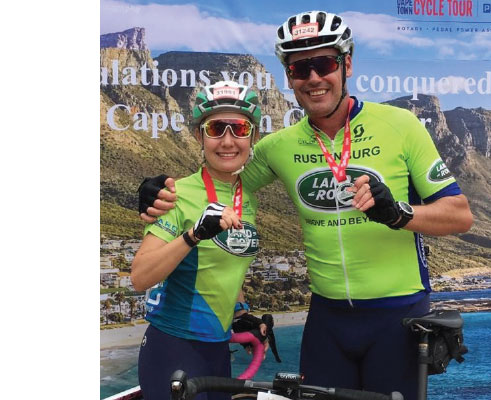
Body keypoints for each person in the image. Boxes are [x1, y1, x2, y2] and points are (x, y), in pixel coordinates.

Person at [138, 11, 473, 400]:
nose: (314, 78)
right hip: (328, 321)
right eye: (300, 68)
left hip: (397, 316)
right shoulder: (278, 147)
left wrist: (399, 214)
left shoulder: (401, 125)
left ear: (347, 64)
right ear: (289, 77)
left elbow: (460, 215)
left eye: (324, 63)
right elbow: (221, 178)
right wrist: (158, 191)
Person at [132, 81, 267, 400]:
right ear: (199, 136)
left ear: (253, 137)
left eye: (239, 128)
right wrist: (193, 235)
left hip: (217, 351)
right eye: (216, 128)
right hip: (173, 348)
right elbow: (140, 276)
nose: (228, 141)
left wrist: (240, 313)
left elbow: (223, 263)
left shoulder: (248, 198)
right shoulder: (176, 195)